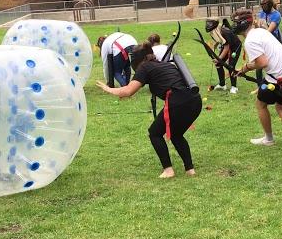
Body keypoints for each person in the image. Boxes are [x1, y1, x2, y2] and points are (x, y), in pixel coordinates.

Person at [96, 41, 202, 178]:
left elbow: (128, 91)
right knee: (176, 134)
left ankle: (168, 170)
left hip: (178, 101)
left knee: (155, 133)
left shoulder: (144, 67)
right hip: (194, 100)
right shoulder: (163, 64)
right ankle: (190, 170)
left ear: (136, 60)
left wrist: (108, 89)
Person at [231, 7, 282, 154]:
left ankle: (269, 139)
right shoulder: (261, 31)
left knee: (260, 104)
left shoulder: (250, 40)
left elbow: (262, 63)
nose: (233, 25)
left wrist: (245, 68)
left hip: (279, 78)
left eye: (235, 22)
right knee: (280, 107)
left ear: (242, 24)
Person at [205, 18, 242, 94]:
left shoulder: (224, 32)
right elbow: (219, 40)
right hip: (227, 45)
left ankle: (234, 87)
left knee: (231, 66)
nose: (208, 25)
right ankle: (222, 85)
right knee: (218, 64)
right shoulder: (214, 31)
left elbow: (226, 47)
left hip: (235, 47)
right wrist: (214, 47)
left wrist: (219, 58)